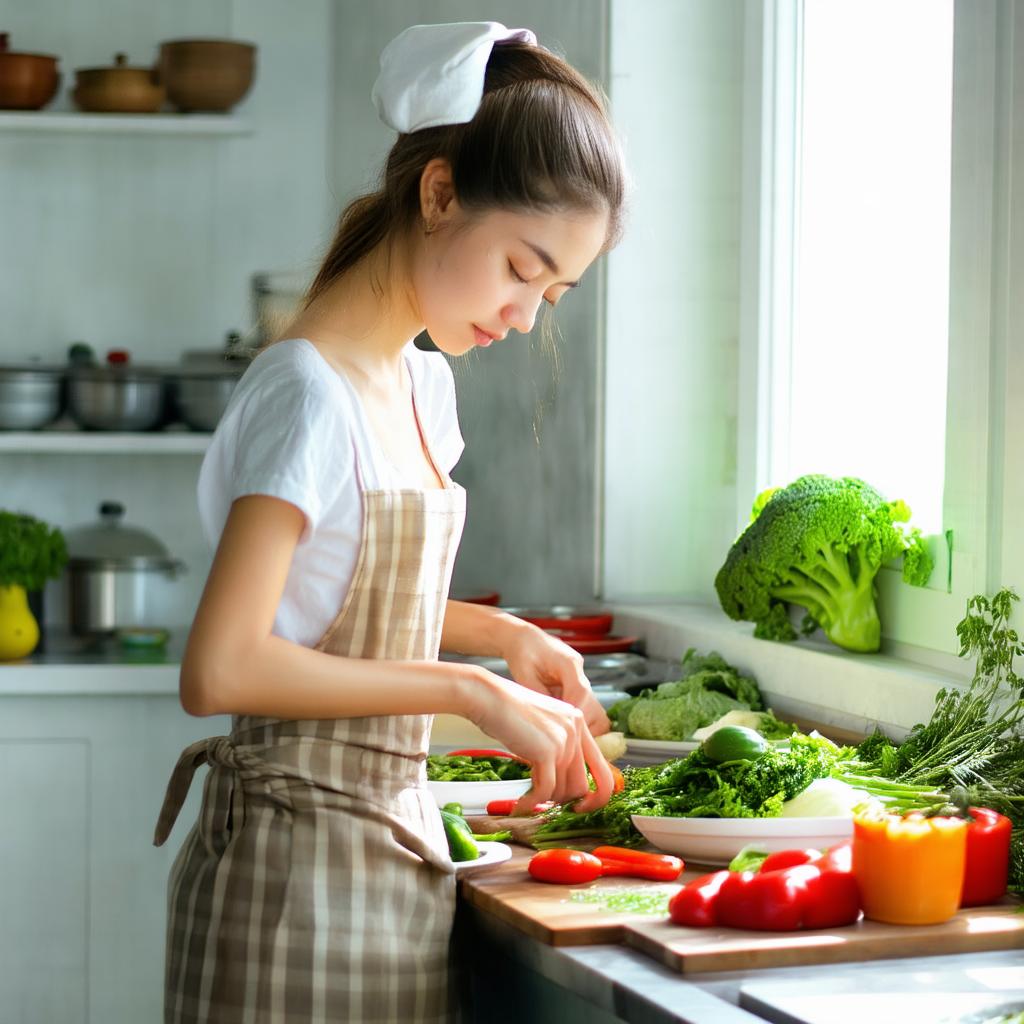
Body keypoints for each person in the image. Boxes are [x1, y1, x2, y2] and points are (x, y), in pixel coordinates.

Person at [153, 20, 627, 1024]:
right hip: (284, 881)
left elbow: (335, 592)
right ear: (440, 191)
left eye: (554, 291)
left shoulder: (419, 386)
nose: (524, 315)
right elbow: (225, 666)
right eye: (519, 267)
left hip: (382, 860)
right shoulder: (307, 393)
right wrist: (470, 689)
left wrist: (505, 638)